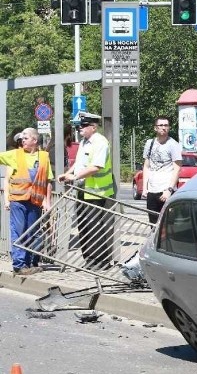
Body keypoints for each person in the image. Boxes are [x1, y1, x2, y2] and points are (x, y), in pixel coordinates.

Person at [58, 112, 116, 271]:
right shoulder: (85, 141)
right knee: (83, 227)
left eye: (83, 126)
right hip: (83, 190)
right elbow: (79, 163)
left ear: (93, 127)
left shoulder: (100, 142)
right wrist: (67, 173)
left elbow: (96, 167)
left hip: (97, 192)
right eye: (79, 126)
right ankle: (89, 261)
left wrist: (73, 176)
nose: (80, 129)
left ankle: (100, 263)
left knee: (95, 228)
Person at [0, 128, 52, 275]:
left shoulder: (44, 157)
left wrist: (47, 201)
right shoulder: (14, 155)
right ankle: (19, 265)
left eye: (26, 138)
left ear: (35, 140)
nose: (22, 140)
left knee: (32, 233)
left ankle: (31, 263)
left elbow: (48, 180)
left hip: (35, 201)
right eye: (22, 138)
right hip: (18, 201)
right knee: (19, 232)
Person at [141, 116, 182, 223]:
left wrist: (169, 190)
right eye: (161, 125)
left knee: (168, 224)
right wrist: (145, 188)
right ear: (155, 128)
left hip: (165, 190)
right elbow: (146, 166)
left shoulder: (173, 145)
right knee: (153, 224)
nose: (163, 128)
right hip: (152, 190)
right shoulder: (149, 143)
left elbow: (177, 169)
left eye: (166, 125)